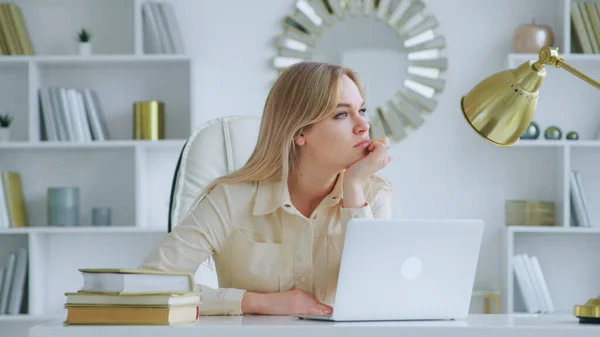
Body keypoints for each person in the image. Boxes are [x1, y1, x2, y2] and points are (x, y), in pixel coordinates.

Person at [139, 61, 395, 316]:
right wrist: (256, 302)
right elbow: (147, 288)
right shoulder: (230, 200)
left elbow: (379, 298)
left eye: (362, 110)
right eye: (342, 114)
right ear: (300, 132)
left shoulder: (372, 196)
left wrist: (354, 189)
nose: (364, 126)